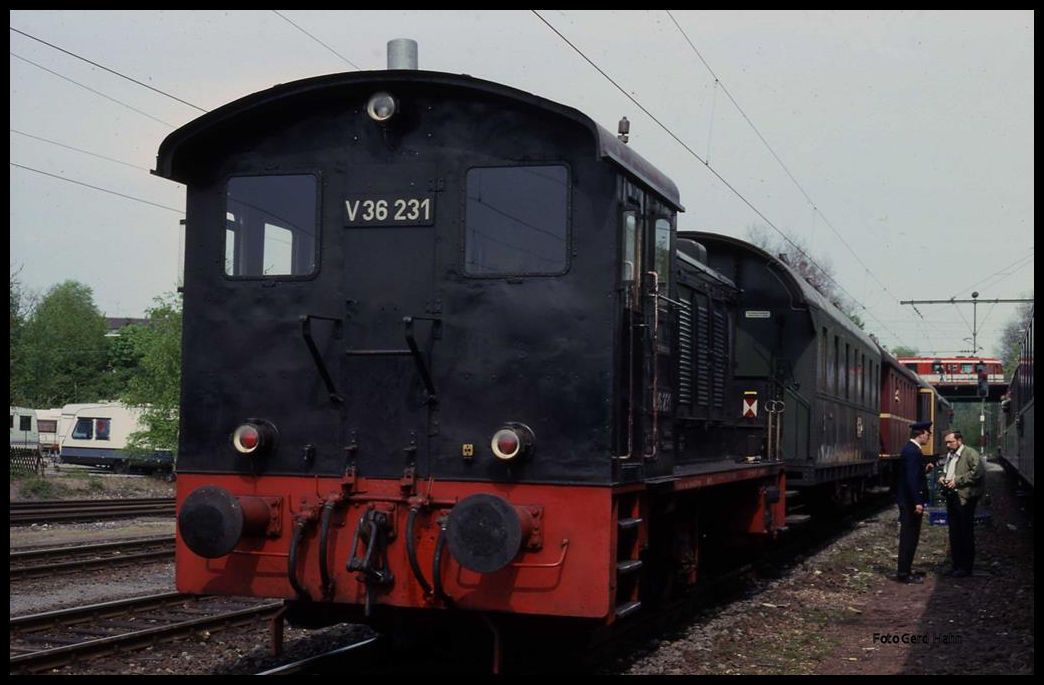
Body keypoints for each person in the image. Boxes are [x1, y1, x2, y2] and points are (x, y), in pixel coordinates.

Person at [939, 430, 985, 577]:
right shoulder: (950, 455)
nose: (947, 445)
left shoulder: (970, 453)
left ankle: (966, 567)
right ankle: (956, 565)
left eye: (950, 442)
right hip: (952, 496)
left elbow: (977, 473)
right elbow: (946, 469)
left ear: (959, 440)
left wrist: (957, 481)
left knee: (965, 532)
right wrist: (942, 477)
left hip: (965, 498)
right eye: (946, 442)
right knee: (954, 532)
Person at [894, 421, 932, 583]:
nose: (929, 437)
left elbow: (914, 474)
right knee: (909, 537)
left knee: (912, 536)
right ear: (921, 433)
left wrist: (925, 470)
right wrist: (918, 501)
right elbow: (911, 479)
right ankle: (903, 573)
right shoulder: (912, 451)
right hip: (910, 502)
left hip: (910, 500)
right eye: (928, 433)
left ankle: (906, 570)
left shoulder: (912, 450)